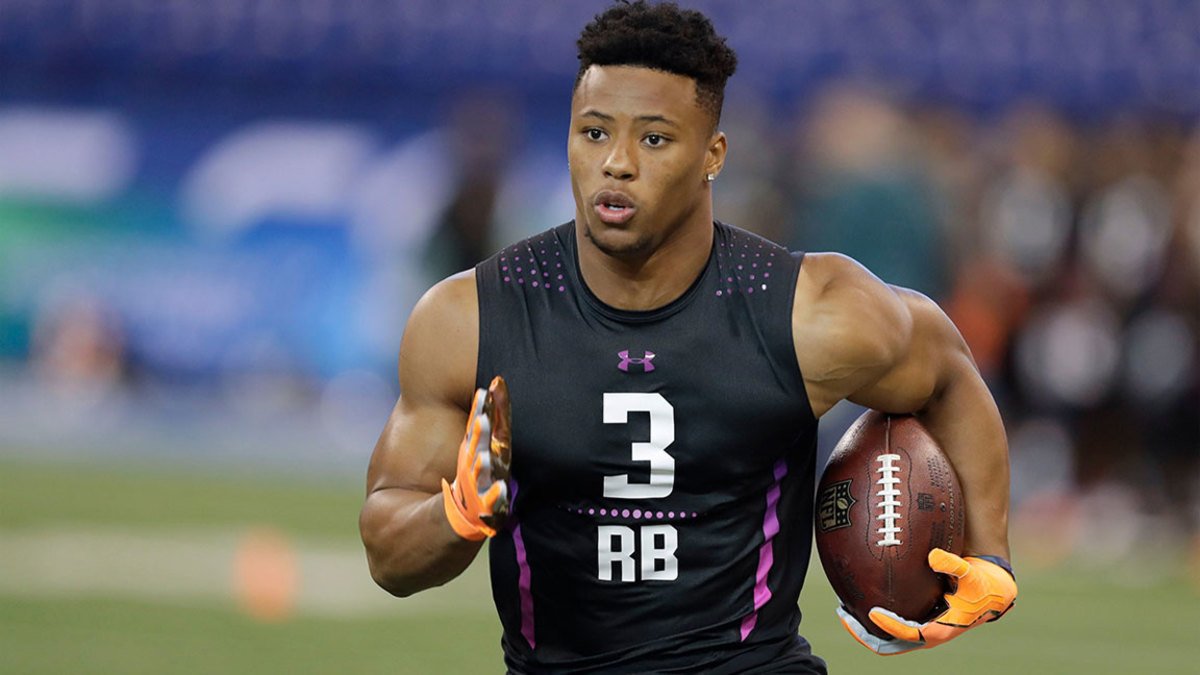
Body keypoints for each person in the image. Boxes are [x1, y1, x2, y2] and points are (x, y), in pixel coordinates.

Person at [359, 2, 1017, 672]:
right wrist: (457, 515)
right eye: (592, 133)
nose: (615, 163)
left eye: (653, 139)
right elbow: (388, 550)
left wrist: (990, 554)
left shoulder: (805, 310)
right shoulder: (471, 317)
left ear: (713, 155)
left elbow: (948, 370)